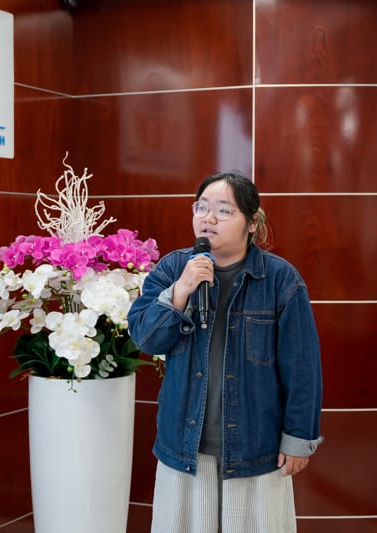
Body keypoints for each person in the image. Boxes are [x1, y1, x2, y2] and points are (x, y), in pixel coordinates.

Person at [127, 171, 323, 533]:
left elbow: (303, 367)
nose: (208, 218)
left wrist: (299, 438)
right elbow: (146, 338)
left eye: (223, 210)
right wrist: (181, 290)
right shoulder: (173, 268)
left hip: (256, 445)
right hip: (184, 444)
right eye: (201, 208)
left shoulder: (280, 279)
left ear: (252, 223)